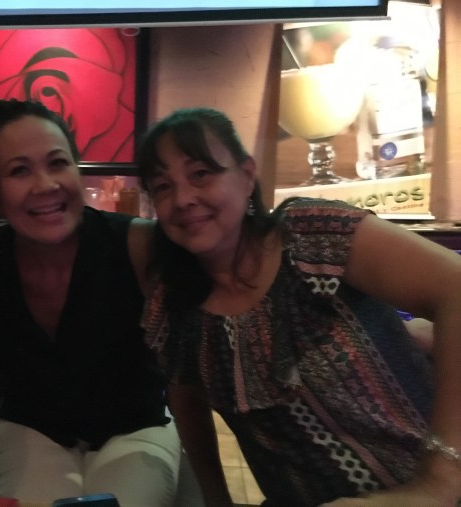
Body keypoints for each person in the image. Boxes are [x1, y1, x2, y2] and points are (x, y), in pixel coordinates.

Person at [136, 107, 461, 507]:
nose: (183, 198)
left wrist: (439, 483)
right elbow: (187, 403)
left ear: (246, 175)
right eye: (163, 186)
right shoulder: (175, 305)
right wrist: (216, 498)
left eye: (201, 173)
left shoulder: (310, 238)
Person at [0, 99, 182, 506]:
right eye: (19, 170)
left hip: (136, 426)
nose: (46, 185)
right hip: (30, 427)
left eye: (57, 163)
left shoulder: (137, 244)